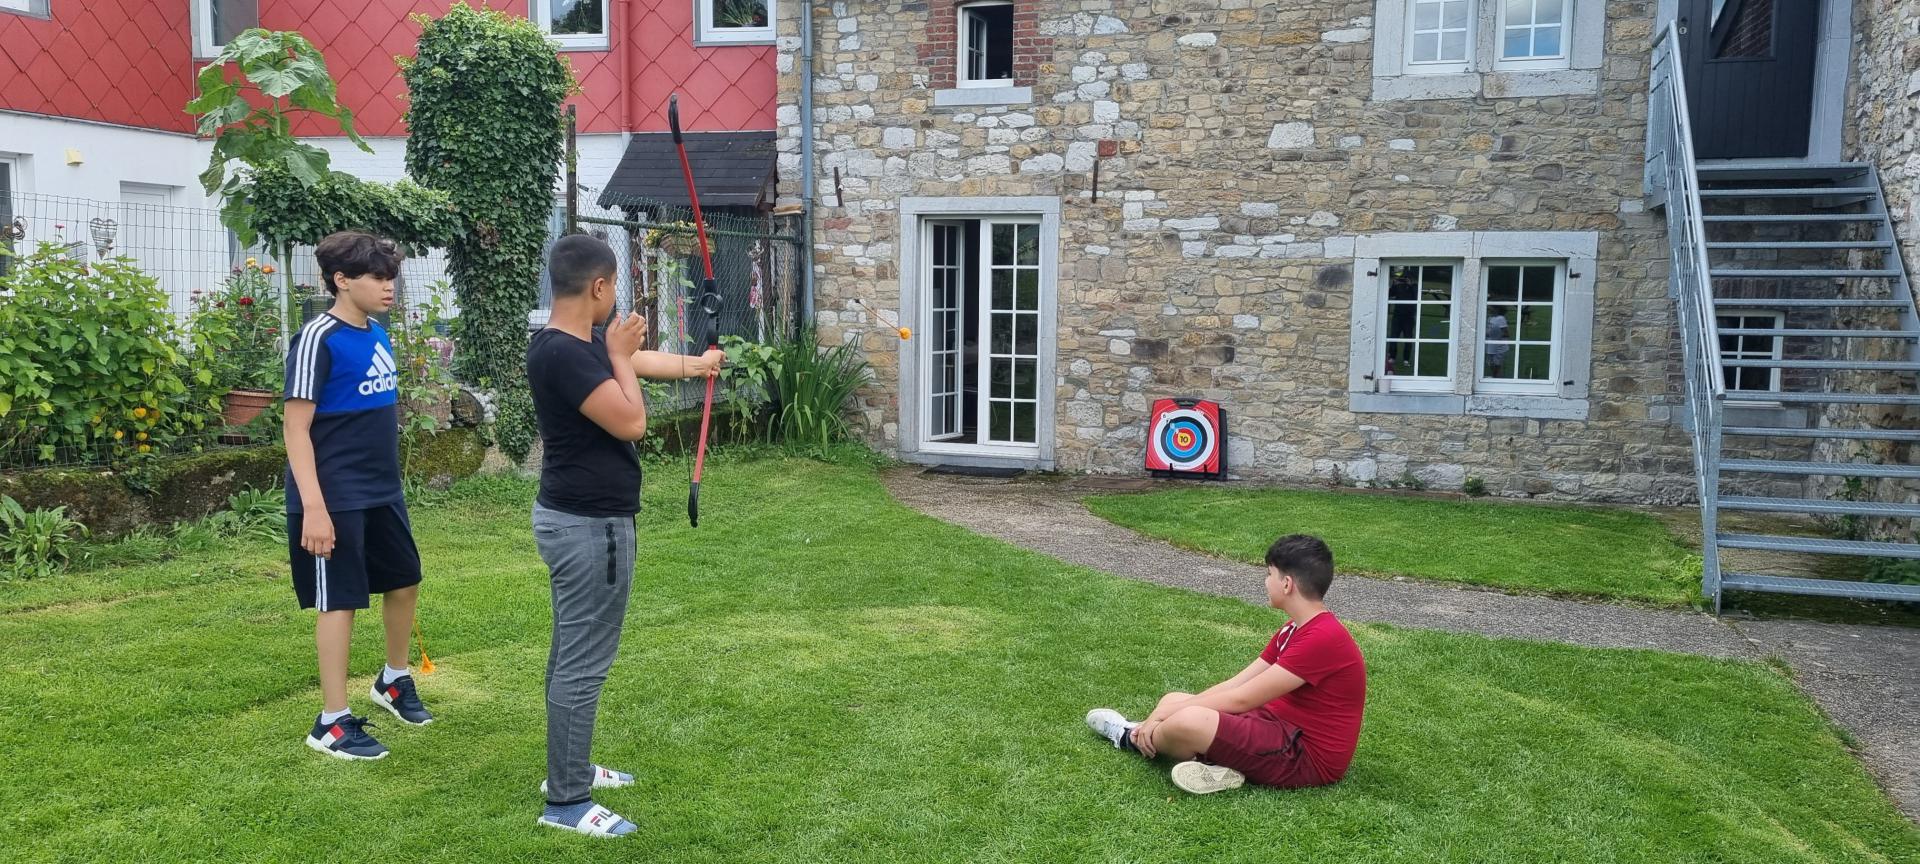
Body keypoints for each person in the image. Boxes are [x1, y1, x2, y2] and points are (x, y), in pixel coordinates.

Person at [526, 233, 722, 837]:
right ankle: (566, 801)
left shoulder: (574, 341)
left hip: (579, 520)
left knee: (572, 650)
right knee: (583, 661)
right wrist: (616, 353)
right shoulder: (567, 354)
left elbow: (637, 362)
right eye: (615, 286)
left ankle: (569, 768)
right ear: (599, 286)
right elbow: (632, 420)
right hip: (590, 527)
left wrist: (700, 364)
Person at [285, 231, 431, 761]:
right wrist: (314, 508)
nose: (389, 287)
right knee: (341, 599)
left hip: (381, 490)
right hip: (335, 495)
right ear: (341, 280)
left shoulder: (377, 331)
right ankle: (331, 722)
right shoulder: (316, 338)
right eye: (377, 278)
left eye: (392, 277)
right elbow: (295, 429)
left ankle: (393, 679)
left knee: (404, 579)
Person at [1084, 535, 1367, 794]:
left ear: (1287, 584)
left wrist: (1165, 714)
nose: (1265, 582)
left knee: (1186, 719)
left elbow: (1241, 699)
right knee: (1175, 700)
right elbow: (1237, 683)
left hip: (1305, 756)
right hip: (1277, 727)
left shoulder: (1323, 637)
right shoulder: (1294, 628)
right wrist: (1170, 707)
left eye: (1269, 574)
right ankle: (1220, 764)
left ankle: (1128, 735)